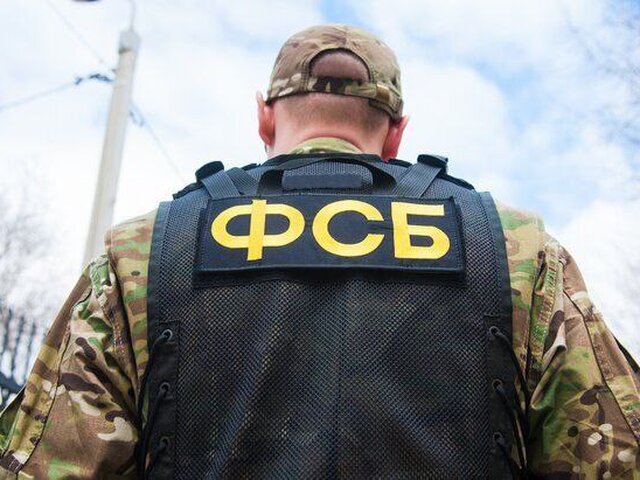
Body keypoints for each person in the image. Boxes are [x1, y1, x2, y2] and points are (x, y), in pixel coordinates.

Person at [0, 23, 638, 480]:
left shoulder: (143, 252)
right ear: (396, 133)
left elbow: (46, 461)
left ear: (264, 116)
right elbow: (614, 456)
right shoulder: (516, 251)